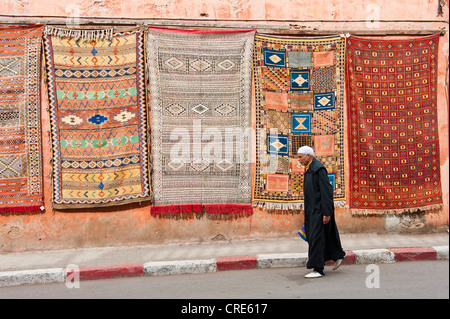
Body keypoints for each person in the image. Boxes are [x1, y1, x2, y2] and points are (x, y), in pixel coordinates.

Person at [297, 145, 346, 278]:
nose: (299, 160)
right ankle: (338, 255)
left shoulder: (318, 169)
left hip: (319, 211)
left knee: (316, 238)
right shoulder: (309, 169)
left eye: (300, 157)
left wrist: (326, 212)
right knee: (322, 236)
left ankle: (318, 269)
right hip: (312, 211)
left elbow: (326, 192)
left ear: (309, 156)